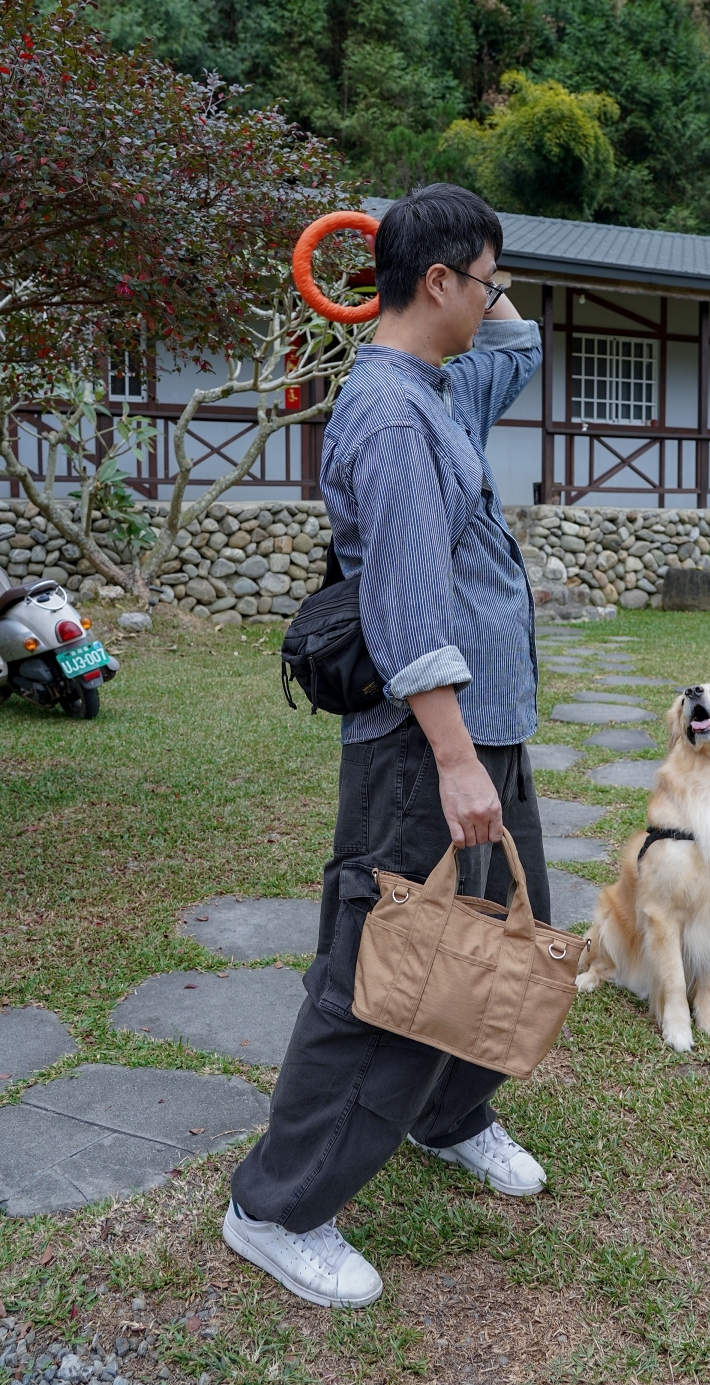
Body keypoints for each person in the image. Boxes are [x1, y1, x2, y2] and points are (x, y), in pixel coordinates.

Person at [222, 184, 550, 1309]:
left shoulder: (441, 388)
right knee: (386, 976)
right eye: (486, 281)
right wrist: (456, 764)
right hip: (426, 746)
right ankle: (276, 1208)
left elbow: (519, 347)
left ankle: (448, 1116)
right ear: (440, 283)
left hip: (487, 727)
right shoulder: (393, 416)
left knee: (494, 941)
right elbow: (407, 612)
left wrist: (432, 253)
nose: (498, 302)